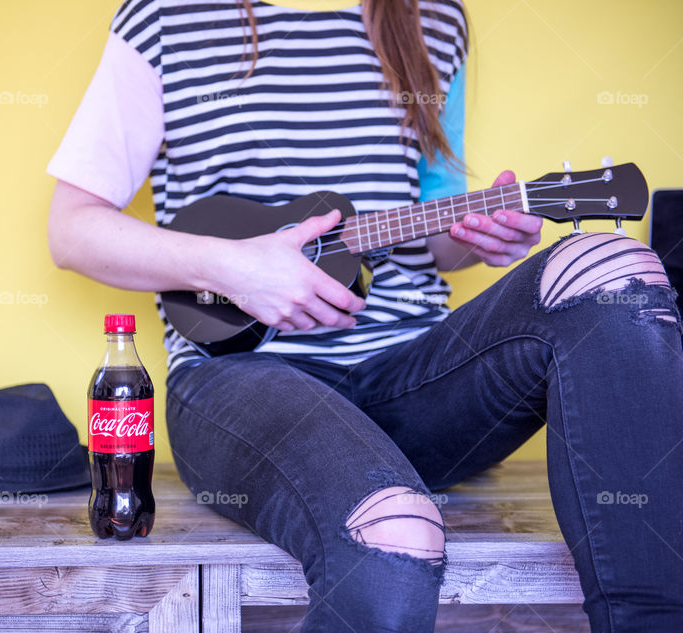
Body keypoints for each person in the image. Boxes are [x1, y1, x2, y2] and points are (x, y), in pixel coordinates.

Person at [46, 1, 683, 631]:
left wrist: (478, 237)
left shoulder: (434, 18)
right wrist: (233, 268)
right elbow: (72, 229)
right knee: (391, 530)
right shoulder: (165, 18)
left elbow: (433, 226)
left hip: (415, 376)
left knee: (612, 270)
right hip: (241, 374)